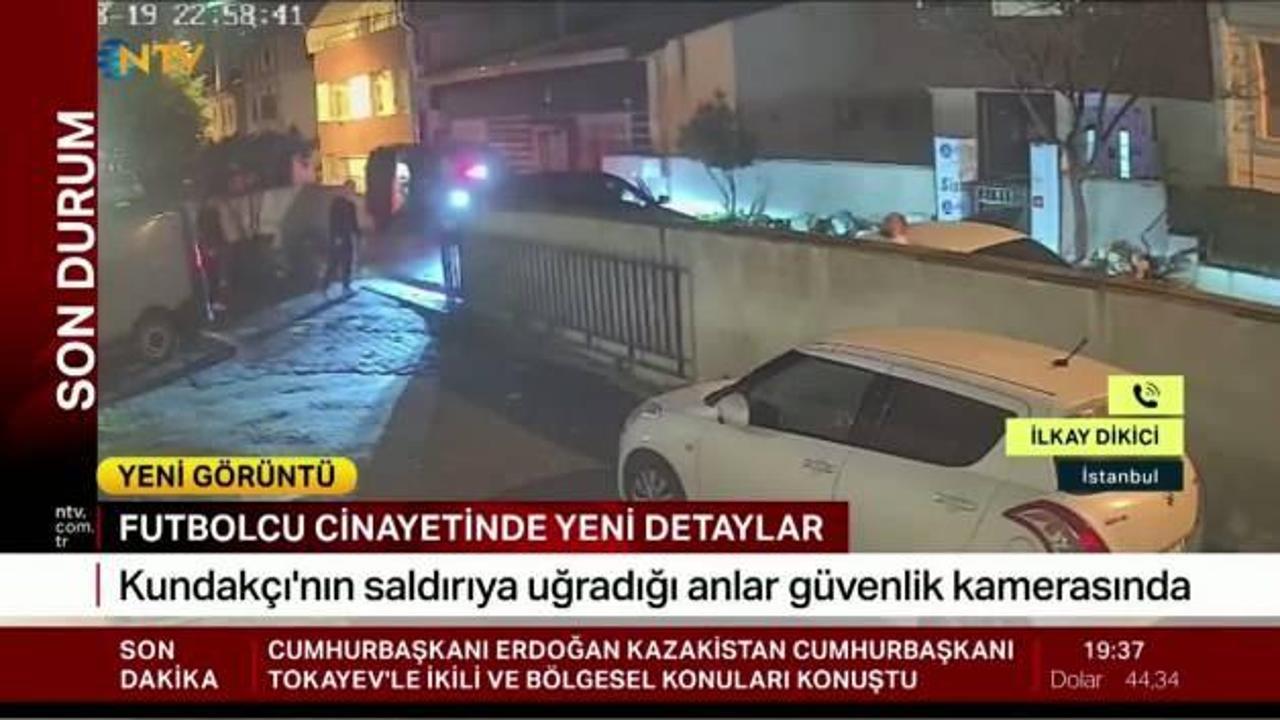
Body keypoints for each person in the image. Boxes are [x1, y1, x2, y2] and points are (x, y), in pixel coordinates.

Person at [324, 179, 361, 295]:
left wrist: (358, 235)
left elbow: (354, 223)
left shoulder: (351, 205)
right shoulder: (337, 203)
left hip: (347, 237)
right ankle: (324, 286)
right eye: (349, 188)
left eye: (352, 189)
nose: (350, 191)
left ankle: (346, 286)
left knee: (347, 262)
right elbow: (333, 221)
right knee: (334, 262)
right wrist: (335, 237)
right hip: (338, 237)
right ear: (344, 189)